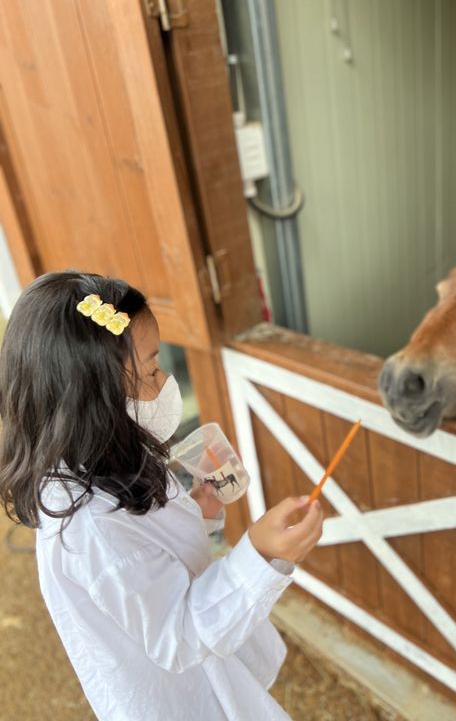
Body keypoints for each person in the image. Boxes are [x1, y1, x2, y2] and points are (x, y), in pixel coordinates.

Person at [0, 271, 323, 721]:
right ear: (90, 400)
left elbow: (154, 559)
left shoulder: (104, 456)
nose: (164, 378)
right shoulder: (91, 528)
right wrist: (261, 554)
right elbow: (179, 633)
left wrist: (201, 516)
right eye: (150, 369)